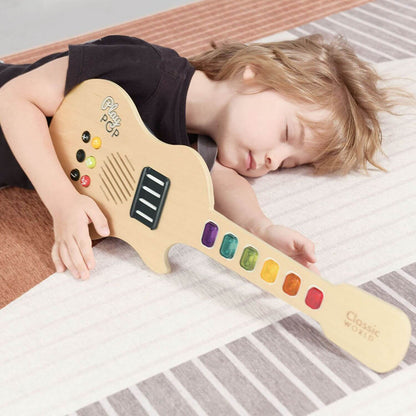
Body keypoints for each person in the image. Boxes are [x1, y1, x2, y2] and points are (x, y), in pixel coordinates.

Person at [0, 34, 403, 280]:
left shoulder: (201, 145)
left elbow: (225, 184)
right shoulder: (147, 69)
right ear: (254, 73)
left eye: (289, 162)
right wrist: (63, 203)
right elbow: (15, 97)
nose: (272, 160)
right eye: (286, 134)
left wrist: (261, 231)